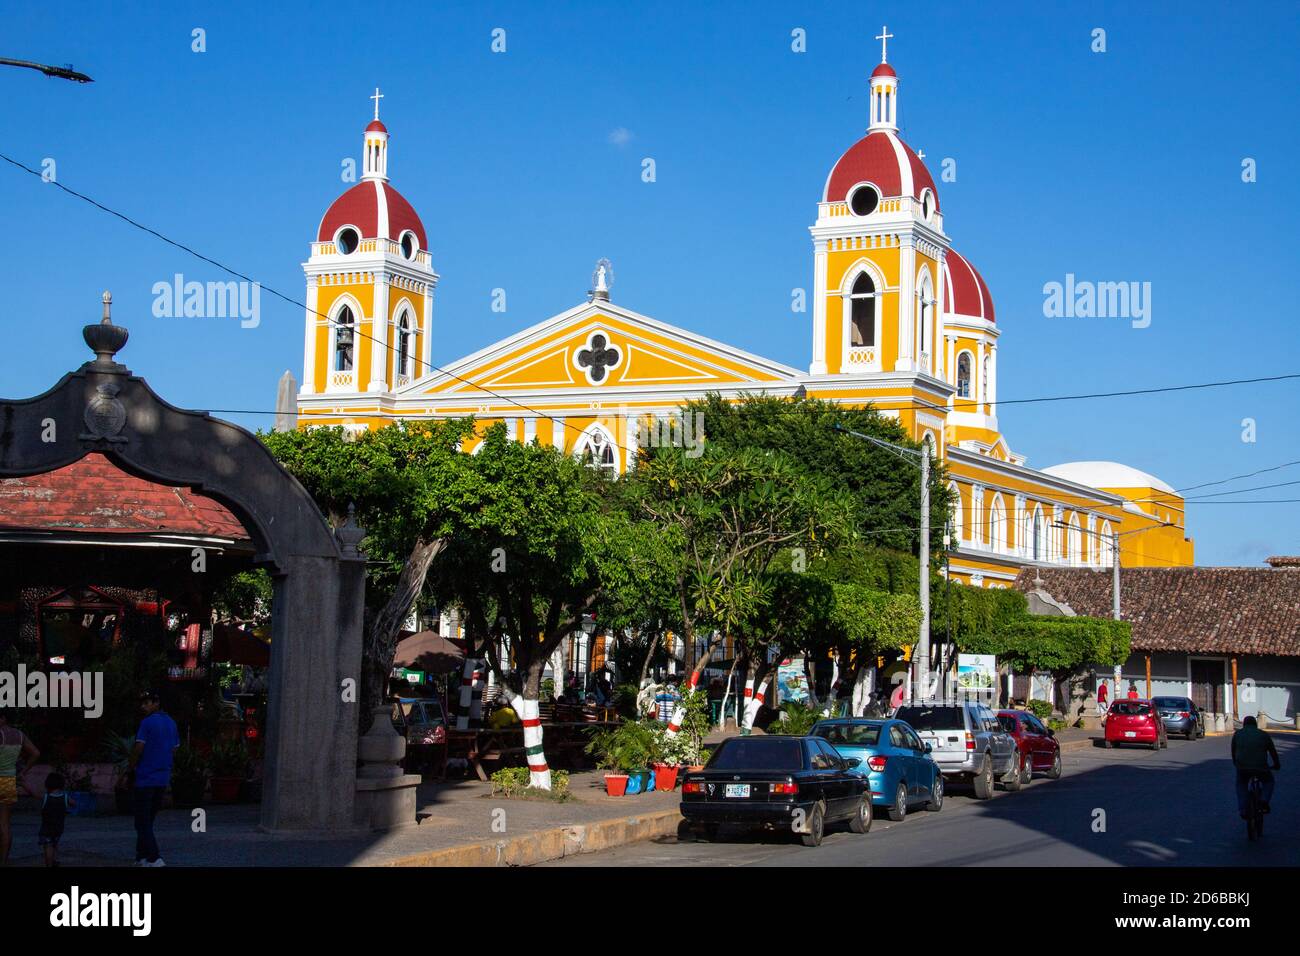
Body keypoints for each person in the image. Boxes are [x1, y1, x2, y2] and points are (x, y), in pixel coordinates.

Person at [128, 690, 179, 867]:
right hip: (162, 778)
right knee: (148, 820)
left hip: (145, 777)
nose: (143, 706)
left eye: (146, 702)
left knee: (142, 821)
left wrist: (131, 767)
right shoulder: (171, 723)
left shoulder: (146, 723)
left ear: (156, 703)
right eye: (142, 703)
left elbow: (138, 747)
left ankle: (154, 857)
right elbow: (174, 749)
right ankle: (141, 856)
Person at [0, 709, 40, 866]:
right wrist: (23, 771)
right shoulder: (19, 735)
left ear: (2, 718)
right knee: (5, 824)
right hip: (9, 781)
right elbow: (36, 753)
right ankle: (3, 862)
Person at [1232, 715, 1280, 819]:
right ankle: (1264, 800)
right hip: (1261, 767)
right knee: (1268, 782)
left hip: (1242, 767)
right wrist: (1276, 764)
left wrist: (1236, 764)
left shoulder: (1238, 734)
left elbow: (1233, 751)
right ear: (1256, 724)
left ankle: (1243, 809)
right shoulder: (1263, 735)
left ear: (1244, 724)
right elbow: (1273, 752)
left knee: (1241, 784)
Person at [39, 772, 74, 867]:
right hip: (59, 828)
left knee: (48, 847)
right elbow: (73, 803)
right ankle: (55, 860)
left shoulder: (46, 797)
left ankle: (49, 864)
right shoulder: (65, 797)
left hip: (46, 828)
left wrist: (24, 784)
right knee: (54, 844)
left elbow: (32, 793)